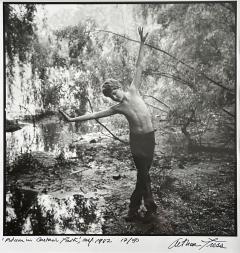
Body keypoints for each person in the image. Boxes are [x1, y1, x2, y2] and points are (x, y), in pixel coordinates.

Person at [59, 27, 157, 222]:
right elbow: (94, 114)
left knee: (142, 176)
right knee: (144, 175)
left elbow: (138, 66)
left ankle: (132, 210)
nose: (114, 96)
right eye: (110, 96)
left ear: (119, 87)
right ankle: (151, 207)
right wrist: (72, 120)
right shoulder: (117, 108)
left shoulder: (134, 90)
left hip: (150, 138)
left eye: (114, 92)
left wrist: (142, 43)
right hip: (137, 142)